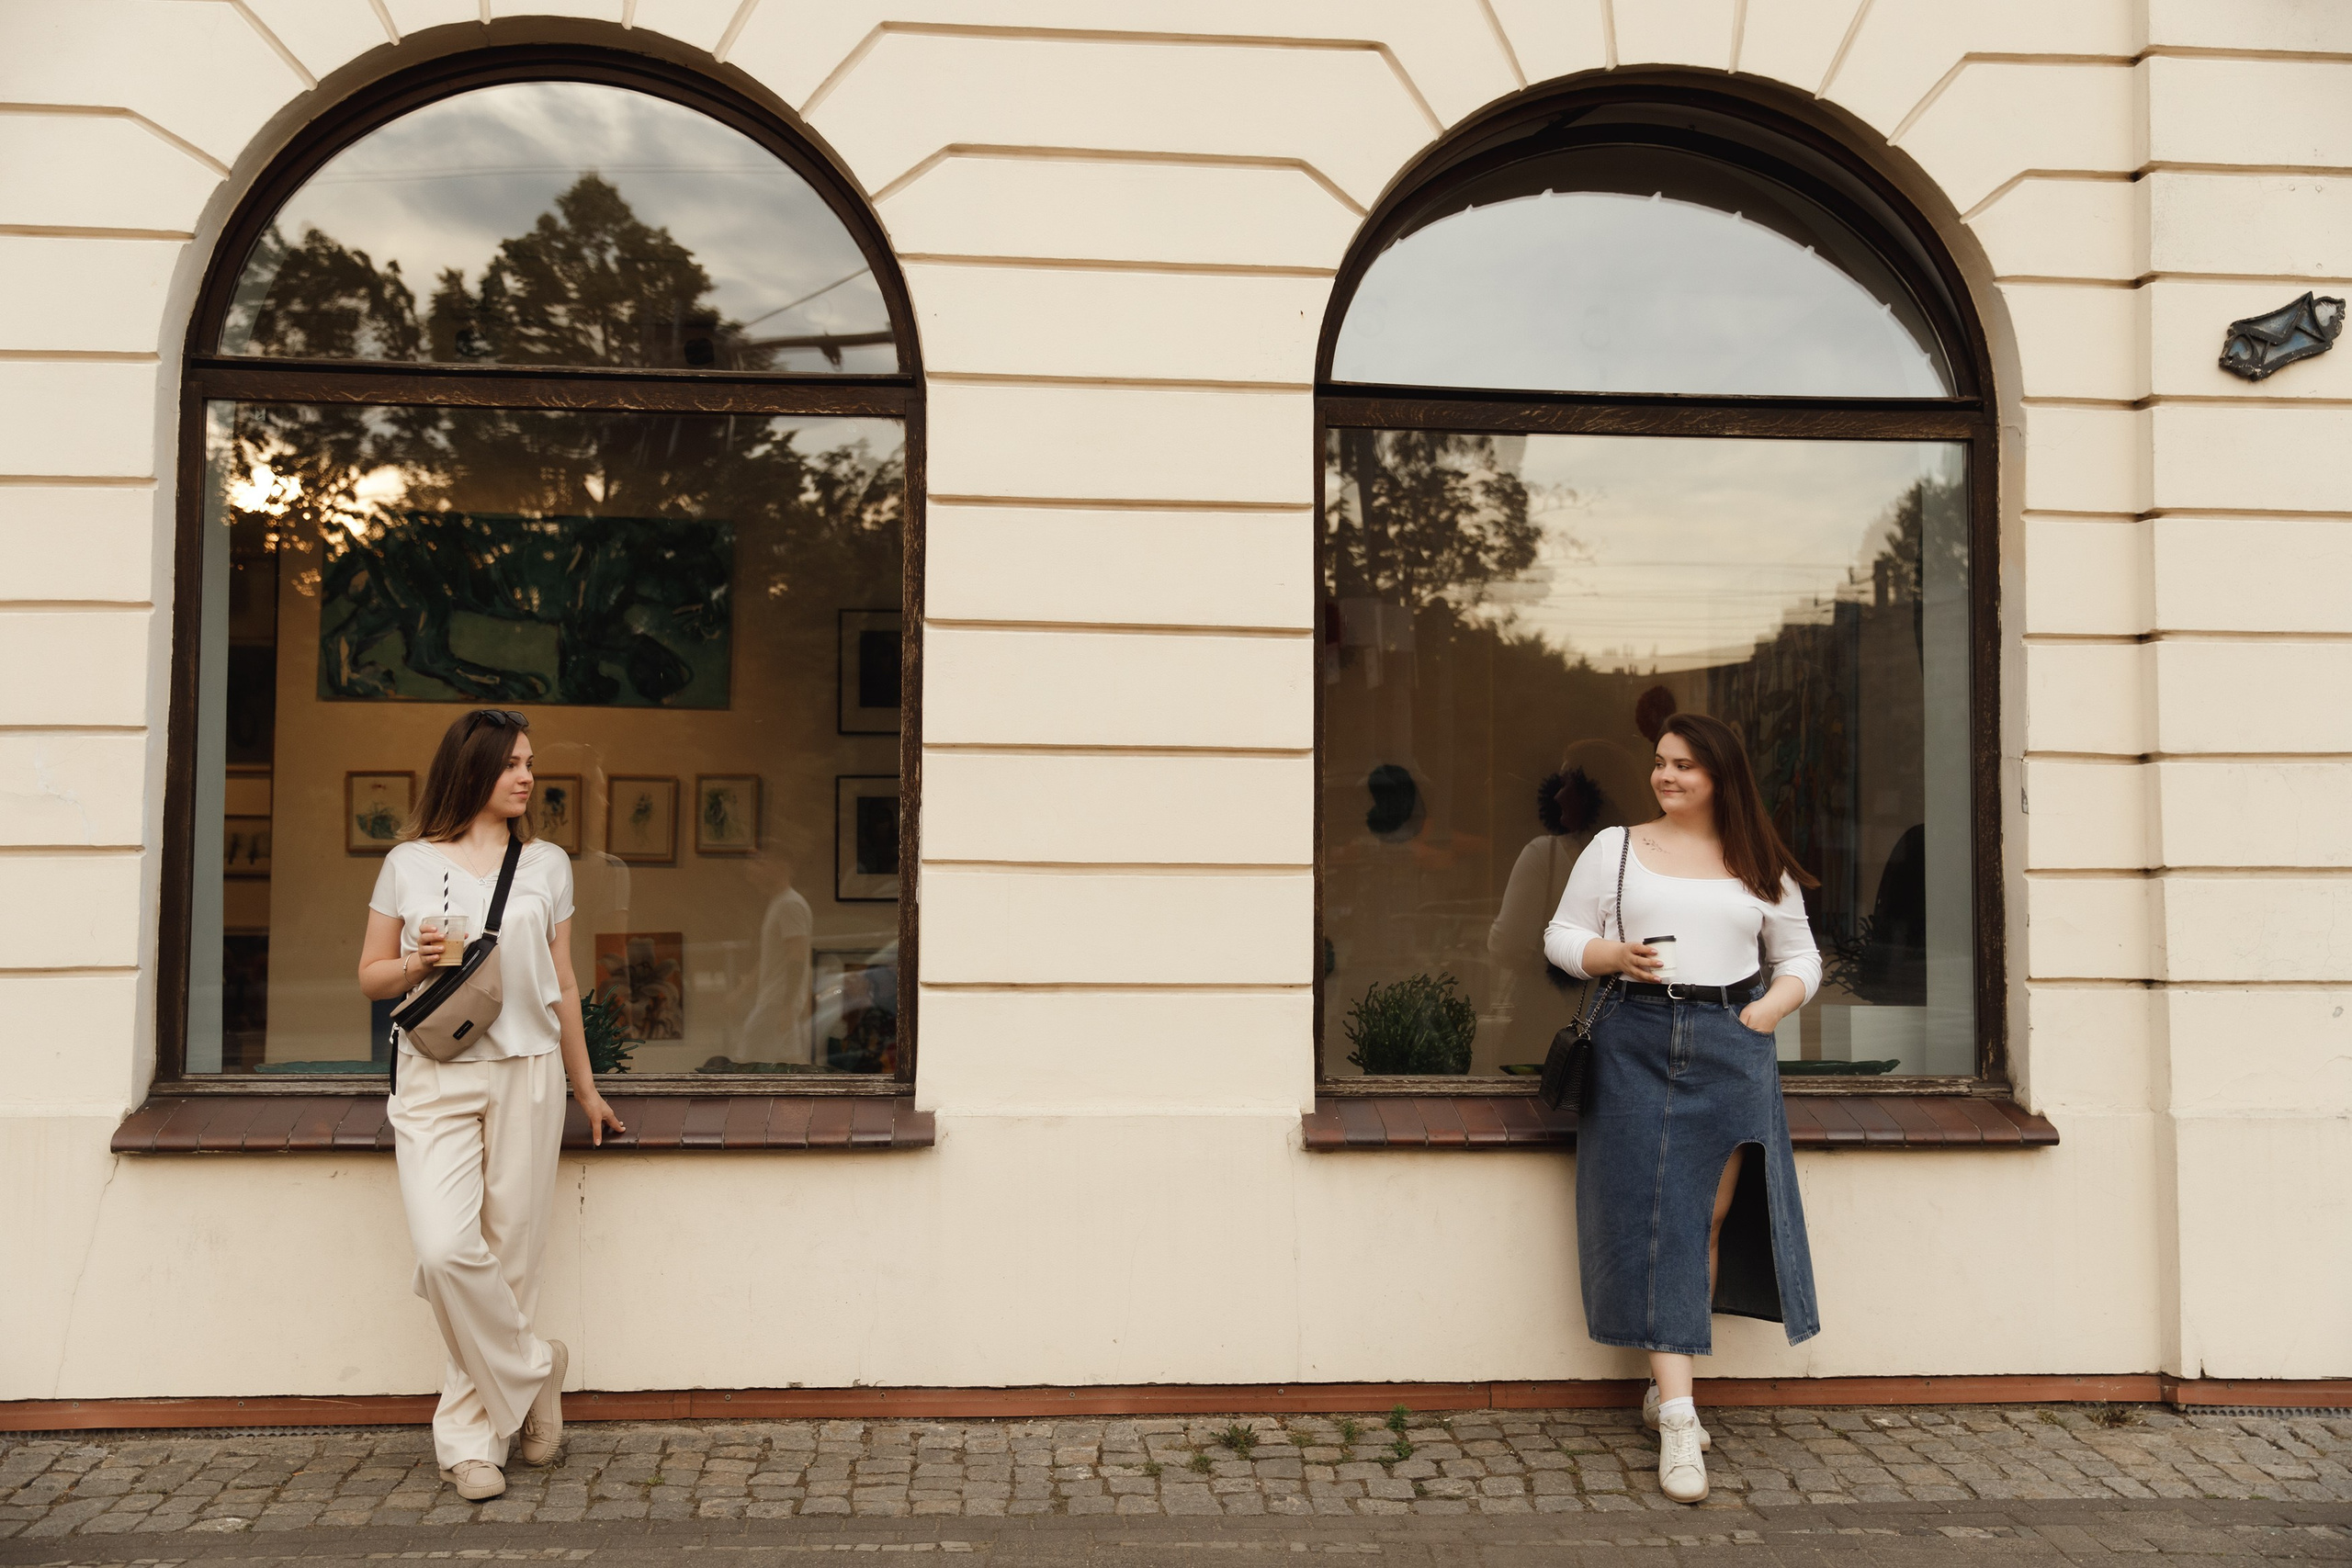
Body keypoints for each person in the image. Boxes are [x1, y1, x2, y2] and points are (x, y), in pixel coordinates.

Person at [1543, 711, 1822, 1505]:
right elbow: (1559, 935)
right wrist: (1610, 954)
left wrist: (1768, 1009)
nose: (1666, 776)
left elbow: (1801, 956)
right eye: (1661, 762)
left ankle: (1668, 1386)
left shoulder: (1759, 860)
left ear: (1721, 776)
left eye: (1685, 765)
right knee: (1655, 1218)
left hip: (1732, 1042)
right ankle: (1676, 1413)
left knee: (1704, 1217)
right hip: (1633, 1036)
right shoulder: (1615, 848)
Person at [356, 709, 626, 1502]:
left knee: (510, 1258)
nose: (526, 776)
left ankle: (472, 1442)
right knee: (445, 1250)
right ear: (471, 768)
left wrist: (585, 1086)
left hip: (528, 1072)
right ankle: (536, 1367)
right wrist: (415, 963)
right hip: (432, 1072)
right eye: (511, 763)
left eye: (529, 763)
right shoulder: (407, 862)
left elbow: (564, 981)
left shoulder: (547, 864)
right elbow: (369, 975)